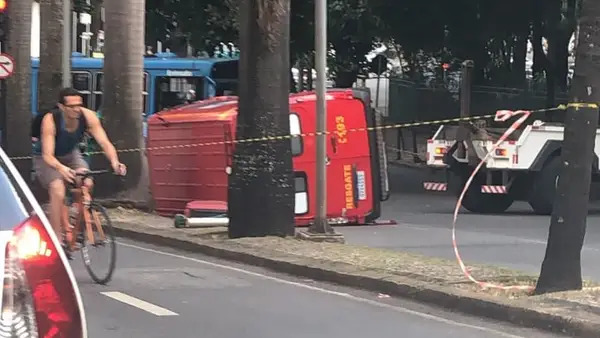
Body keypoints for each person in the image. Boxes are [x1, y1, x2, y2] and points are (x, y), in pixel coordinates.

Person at [33, 87, 127, 242]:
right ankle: (56, 237)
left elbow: (104, 142)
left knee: (87, 181)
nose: (77, 109)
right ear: (61, 107)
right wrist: (62, 169)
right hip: (47, 159)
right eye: (72, 106)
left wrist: (115, 161)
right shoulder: (51, 120)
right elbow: (48, 156)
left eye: (79, 105)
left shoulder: (88, 116)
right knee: (57, 189)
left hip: (71, 153)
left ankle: (77, 219)